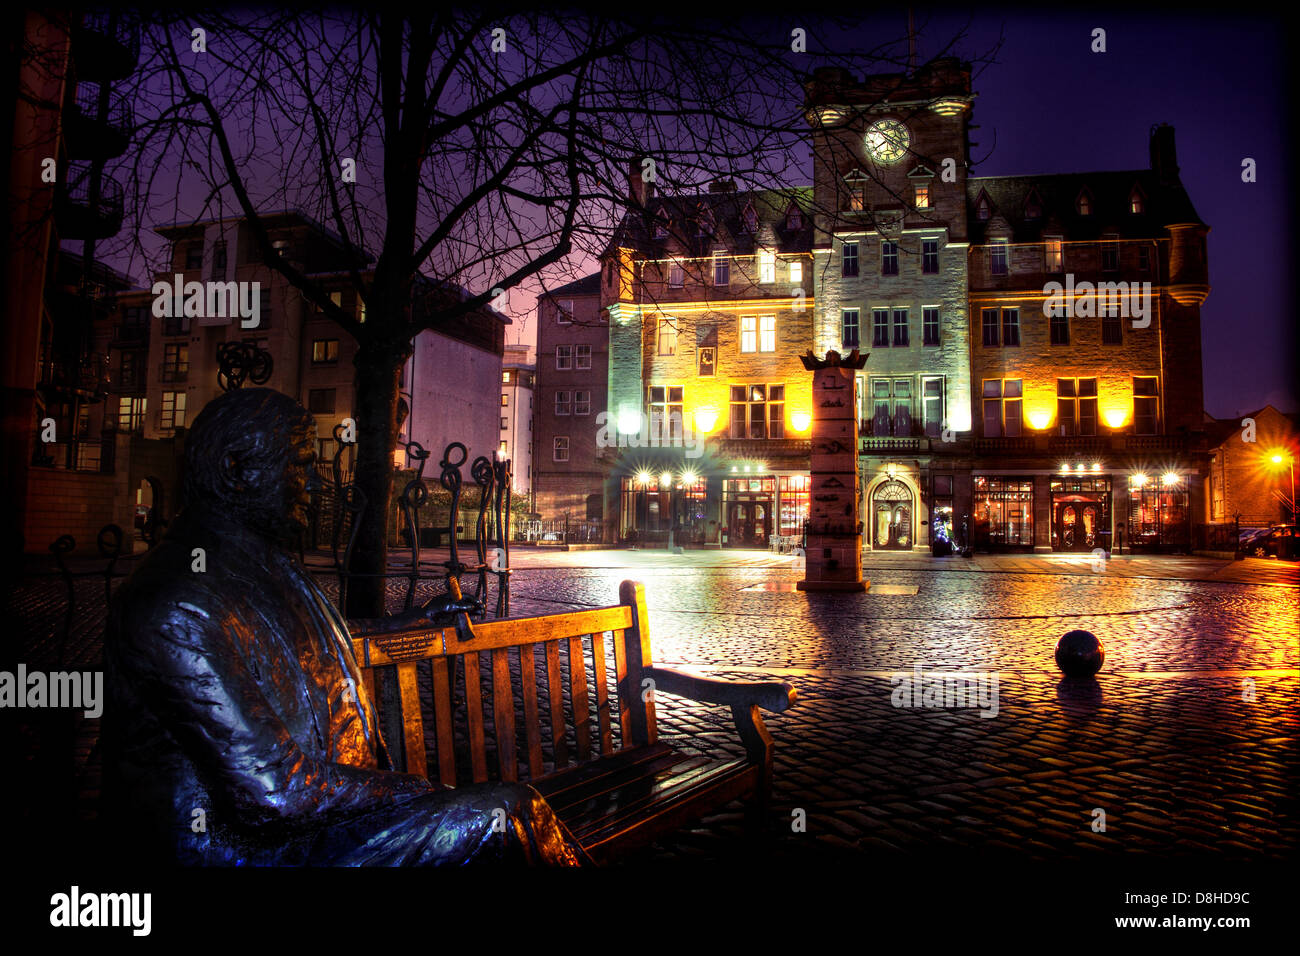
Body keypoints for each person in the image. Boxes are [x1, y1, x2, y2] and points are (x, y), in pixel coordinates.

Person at [101, 388, 586, 866]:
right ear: (236, 471)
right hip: (243, 850)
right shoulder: (177, 600)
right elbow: (275, 792)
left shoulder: (252, 561)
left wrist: (404, 623)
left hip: (304, 828)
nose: (314, 485)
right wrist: (423, 793)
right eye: (299, 465)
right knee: (506, 817)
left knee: (504, 817)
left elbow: (294, 650)